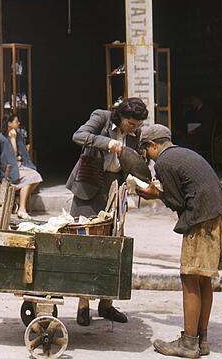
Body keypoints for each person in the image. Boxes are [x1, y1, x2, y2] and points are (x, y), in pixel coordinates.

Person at [134, 124, 222, 358]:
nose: (147, 157)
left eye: (146, 151)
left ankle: (189, 344)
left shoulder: (163, 162)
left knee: (190, 279)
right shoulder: (183, 153)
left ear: (153, 145)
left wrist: (155, 194)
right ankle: (202, 340)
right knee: (202, 280)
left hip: (204, 219)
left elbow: (178, 203)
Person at [66, 97, 147, 326]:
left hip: (115, 189)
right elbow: (78, 136)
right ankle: (83, 305)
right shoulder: (100, 117)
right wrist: (106, 143)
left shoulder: (135, 133)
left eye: (138, 125)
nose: (134, 129)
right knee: (85, 245)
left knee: (112, 246)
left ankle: (106, 304)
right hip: (90, 184)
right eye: (131, 124)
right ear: (120, 116)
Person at [0, 110, 42, 220]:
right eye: (16, 121)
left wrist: (21, 157)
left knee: (35, 177)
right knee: (31, 178)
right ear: (9, 123)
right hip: (8, 170)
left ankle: (18, 200)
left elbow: (21, 154)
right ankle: (22, 209)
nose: (18, 123)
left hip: (19, 166)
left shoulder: (18, 136)